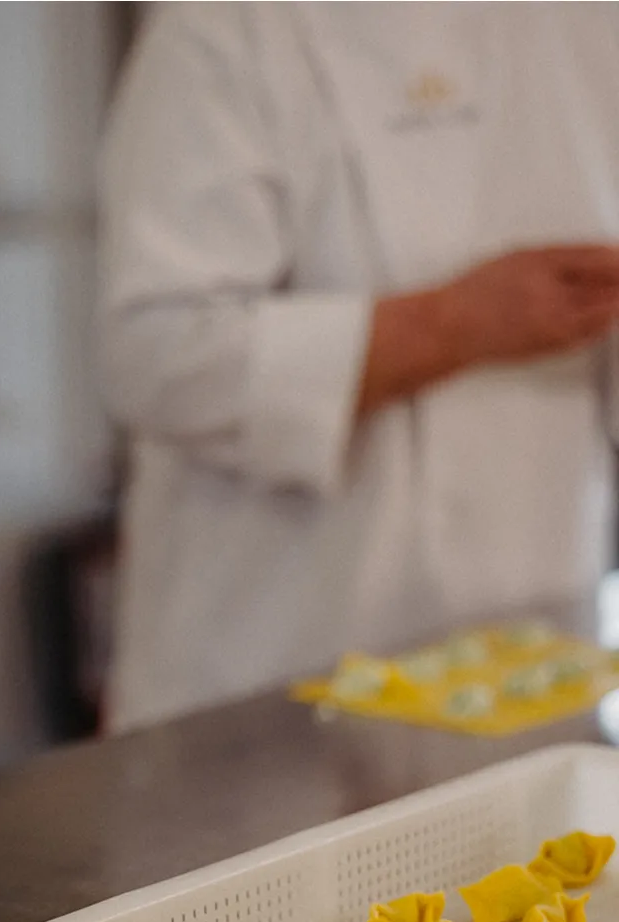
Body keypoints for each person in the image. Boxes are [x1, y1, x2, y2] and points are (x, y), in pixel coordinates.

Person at [100, 3, 619, 732]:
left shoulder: (586, 24)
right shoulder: (227, 28)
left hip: (535, 660)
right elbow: (154, 358)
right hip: (269, 674)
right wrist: (455, 323)